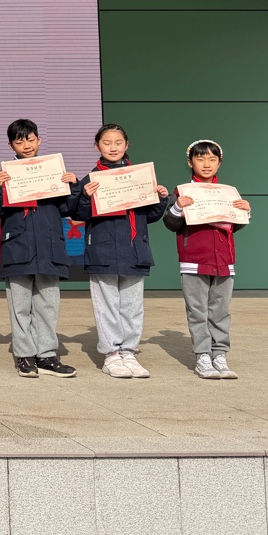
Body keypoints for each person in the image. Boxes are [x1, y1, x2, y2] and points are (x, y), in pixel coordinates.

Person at [68, 123, 170, 378]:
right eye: (106, 143)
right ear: (97, 146)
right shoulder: (90, 179)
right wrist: (85, 196)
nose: (112, 147)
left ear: (126, 145)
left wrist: (160, 198)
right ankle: (112, 355)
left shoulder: (139, 177)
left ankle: (129, 352)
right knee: (107, 306)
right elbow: (77, 215)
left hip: (134, 249)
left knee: (133, 306)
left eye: (118, 142)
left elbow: (149, 215)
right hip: (102, 252)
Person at [0, 119, 79, 378]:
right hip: (17, 246)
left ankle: (47, 355)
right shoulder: (5, 174)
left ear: (39, 140)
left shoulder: (53, 171)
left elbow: (68, 208)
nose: (26, 145)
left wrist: (72, 185)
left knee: (48, 304)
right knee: (20, 305)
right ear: (11, 146)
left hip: (49, 247)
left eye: (30, 139)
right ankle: (25, 356)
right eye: (19, 141)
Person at [162, 139, 250, 380]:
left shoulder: (228, 193)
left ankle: (220, 355)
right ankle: (202, 356)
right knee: (198, 311)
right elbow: (170, 223)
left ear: (220, 162)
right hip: (194, 260)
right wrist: (177, 208)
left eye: (212, 159)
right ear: (190, 162)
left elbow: (233, 226)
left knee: (221, 311)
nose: (207, 164)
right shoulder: (183, 192)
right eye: (200, 159)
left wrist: (244, 211)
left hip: (225, 261)